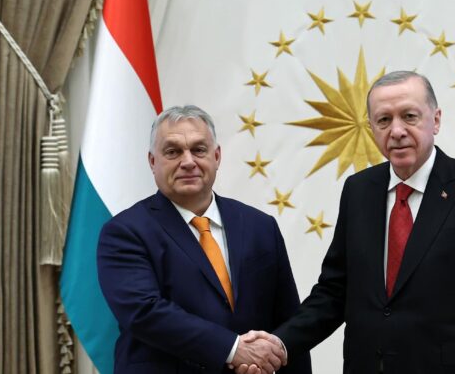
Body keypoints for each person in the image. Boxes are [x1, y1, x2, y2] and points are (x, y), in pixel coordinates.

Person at [241, 71, 455, 373]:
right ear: (371, 126)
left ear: (436, 120)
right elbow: (335, 292)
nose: (396, 130)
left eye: (409, 116)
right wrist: (280, 344)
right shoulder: (358, 191)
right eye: (384, 120)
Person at [97, 105, 311, 374]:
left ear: (217, 156)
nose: (188, 161)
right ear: (152, 161)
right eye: (173, 151)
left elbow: (286, 319)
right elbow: (145, 312)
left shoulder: (260, 226)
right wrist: (233, 349)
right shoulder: (125, 232)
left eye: (199, 149)